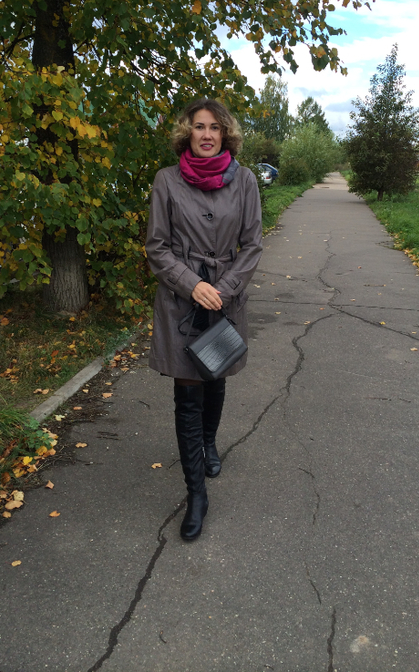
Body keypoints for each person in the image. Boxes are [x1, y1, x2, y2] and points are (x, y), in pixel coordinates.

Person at [146, 98, 262, 542]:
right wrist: (191, 284)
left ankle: (209, 442)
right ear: (187, 132)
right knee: (187, 393)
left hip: (225, 297)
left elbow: (252, 244)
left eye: (215, 127)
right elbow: (157, 246)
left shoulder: (245, 180)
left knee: (215, 375)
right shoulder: (166, 180)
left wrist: (223, 290)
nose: (207, 134)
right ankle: (196, 493)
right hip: (181, 302)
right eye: (199, 126)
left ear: (225, 133)